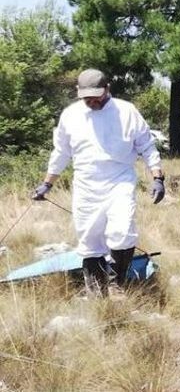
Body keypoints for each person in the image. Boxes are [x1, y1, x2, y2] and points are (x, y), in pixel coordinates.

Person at [31, 69, 165, 297]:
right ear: (78, 92)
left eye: (97, 96)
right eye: (87, 98)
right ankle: (95, 289)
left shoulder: (127, 111)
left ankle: (116, 285)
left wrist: (158, 178)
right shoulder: (71, 115)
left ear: (107, 89)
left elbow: (147, 146)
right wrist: (47, 183)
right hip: (86, 184)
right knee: (89, 237)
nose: (93, 101)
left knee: (122, 231)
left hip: (119, 181)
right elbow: (61, 152)